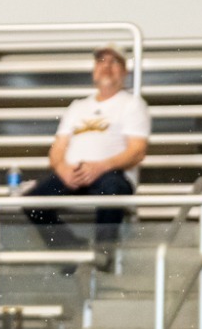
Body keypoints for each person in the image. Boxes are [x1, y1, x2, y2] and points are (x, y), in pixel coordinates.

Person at [26, 45, 151, 259]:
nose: (106, 67)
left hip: (111, 174)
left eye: (114, 62)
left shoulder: (132, 104)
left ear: (124, 71)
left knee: (112, 191)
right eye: (101, 61)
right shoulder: (77, 106)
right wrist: (62, 169)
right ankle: (70, 248)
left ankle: (104, 253)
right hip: (74, 171)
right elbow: (57, 148)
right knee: (32, 202)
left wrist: (101, 166)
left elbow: (136, 151)